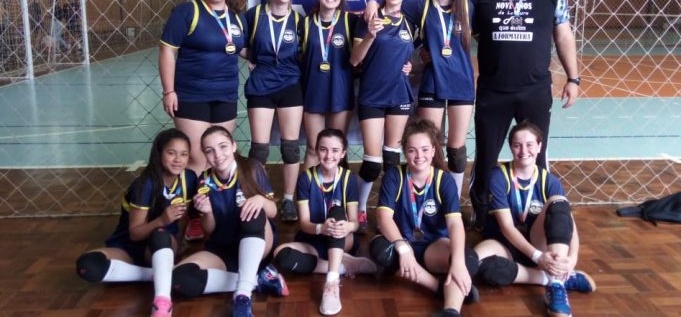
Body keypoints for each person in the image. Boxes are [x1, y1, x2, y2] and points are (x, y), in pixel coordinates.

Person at [470, 0, 580, 228]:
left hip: (534, 90)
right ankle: (482, 213)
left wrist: (573, 78)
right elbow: (473, 34)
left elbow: (563, 35)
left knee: (535, 156)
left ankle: (537, 213)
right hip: (493, 90)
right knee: (486, 156)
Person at [473, 120, 595, 317]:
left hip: (537, 241)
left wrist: (572, 259)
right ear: (511, 147)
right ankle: (554, 279)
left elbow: (569, 224)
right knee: (476, 265)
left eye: (529, 144)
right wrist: (538, 257)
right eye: (517, 145)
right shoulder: (498, 176)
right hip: (504, 242)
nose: (524, 151)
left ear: (539, 146)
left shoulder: (550, 181)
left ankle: (556, 285)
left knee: (558, 202)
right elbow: (507, 228)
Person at [75, 128, 198, 317]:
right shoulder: (145, 183)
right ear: (159, 153)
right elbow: (135, 234)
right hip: (129, 246)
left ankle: (162, 302)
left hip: (162, 245)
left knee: (160, 235)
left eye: (184, 154)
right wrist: (162, 219)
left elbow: (183, 219)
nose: (178, 159)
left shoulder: (188, 178)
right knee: (88, 266)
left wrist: (178, 246)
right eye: (171, 153)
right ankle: (158, 273)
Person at [171, 126, 287, 317]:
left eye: (223, 146)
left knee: (252, 210)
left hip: (257, 244)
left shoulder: (252, 168)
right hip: (223, 250)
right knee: (179, 278)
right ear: (205, 155)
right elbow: (209, 232)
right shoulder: (204, 181)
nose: (218, 155)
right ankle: (258, 280)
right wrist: (207, 212)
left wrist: (260, 200)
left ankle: (242, 295)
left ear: (233, 146)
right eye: (210, 150)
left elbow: (273, 211)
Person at [368, 119, 479, 317]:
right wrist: (403, 248)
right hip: (402, 244)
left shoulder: (444, 180)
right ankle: (438, 287)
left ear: (434, 151)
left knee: (467, 258)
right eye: (412, 150)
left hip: (434, 247)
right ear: (405, 151)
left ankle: (451, 311)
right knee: (379, 249)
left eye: (425, 149)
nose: (419, 156)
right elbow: (383, 218)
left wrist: (458, 262)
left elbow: (455, 223)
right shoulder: (394, 175)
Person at [273, 128, 376, 315]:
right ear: (316, 150)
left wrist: (347, 226)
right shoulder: (305, 178)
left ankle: (332, 282)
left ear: (343, 153)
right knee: (281, 254)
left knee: (336, 213)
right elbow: (304, 223)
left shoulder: (349, 179)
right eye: (323, 149)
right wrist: (321, 228)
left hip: (341, 238)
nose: (329, 155)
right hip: (313, 237)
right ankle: (343, 266)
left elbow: (355, 222)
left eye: (335, 150)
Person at [159, 0, 247, 174]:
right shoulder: (186, 12)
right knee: (198, 159)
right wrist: (169, 91)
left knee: (218, 159)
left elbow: (241, 49)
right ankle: (193, 197)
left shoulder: (237, 18)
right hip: (192, 95)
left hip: (226, 96)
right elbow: (167, 51)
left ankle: (214, 197)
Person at [401, 0, 475, 200]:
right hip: (433, 81)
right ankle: (429, 197)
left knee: (456, 149)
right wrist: (371, 6)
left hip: (462, 83)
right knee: (429, 145)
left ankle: (452, 200)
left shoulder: (469, 7)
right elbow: (390, 9)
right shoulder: (420, 6)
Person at [350, 0, 414, 233]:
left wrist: (413, 65)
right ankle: (360, 209)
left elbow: (422, 52)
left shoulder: (412, 20)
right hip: (372, 95)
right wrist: (370, 34)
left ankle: (390, 211)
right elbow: (354, 59)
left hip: (399, 94)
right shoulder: (368, 18)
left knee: (392, 161)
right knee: (372, 164)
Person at [242, 0, 303, 222]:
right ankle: (259, 196)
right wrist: (253, 58)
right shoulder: (254, 15)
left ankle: (288, 199)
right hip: (261, 86)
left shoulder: (299, 19)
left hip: (290, 85)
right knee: (259, 150)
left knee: (291, 148)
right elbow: (239, 44)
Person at [301, 0, 358, 169]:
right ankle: (307, 188)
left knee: (337, 150)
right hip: (312, 92)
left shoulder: (350, 21)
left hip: (339, 92)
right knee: (313, 148)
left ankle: (340, 189)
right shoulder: (305, 23)